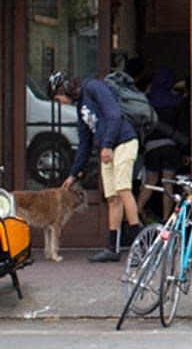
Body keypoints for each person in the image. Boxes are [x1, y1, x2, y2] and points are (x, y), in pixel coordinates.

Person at [49, 71, 142, 263]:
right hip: (106, 150)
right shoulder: (80, 107)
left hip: (123, 141)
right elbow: (84, 142)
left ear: (63, 89)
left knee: (124, 190)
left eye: (58, 98)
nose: (60, 102)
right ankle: (112, 248)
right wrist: (74, 174)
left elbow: (114, 115)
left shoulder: (93, 87)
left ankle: (139, 247)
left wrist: (107, 144)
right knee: (112, 197)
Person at [136, 67, 187, 220]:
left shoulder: (146, 101)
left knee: (150, 182)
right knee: (168, 184)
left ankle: (135, 214)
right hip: (170, 148)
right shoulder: (177, 102)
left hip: (152, 148)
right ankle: (166, 220)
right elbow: (182, 128)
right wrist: (185, 151)